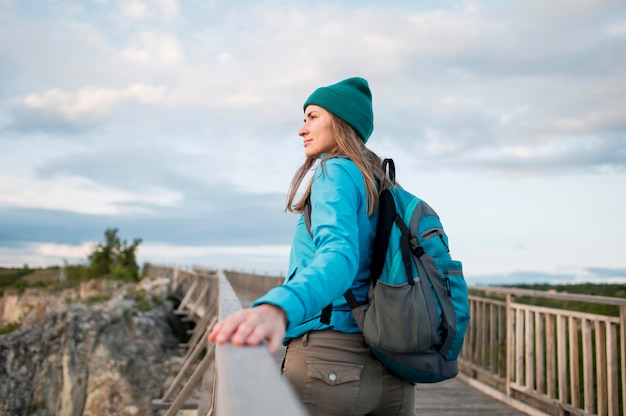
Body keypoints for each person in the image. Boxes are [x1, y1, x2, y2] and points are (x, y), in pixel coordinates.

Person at [208, 77, 415, 415]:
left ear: (342, 121)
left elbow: (339, 255)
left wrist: (278, 308)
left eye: (312, 116)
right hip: (392, 369)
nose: (302, 129)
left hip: (331, 364)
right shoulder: (381, 181)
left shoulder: (334, 172)